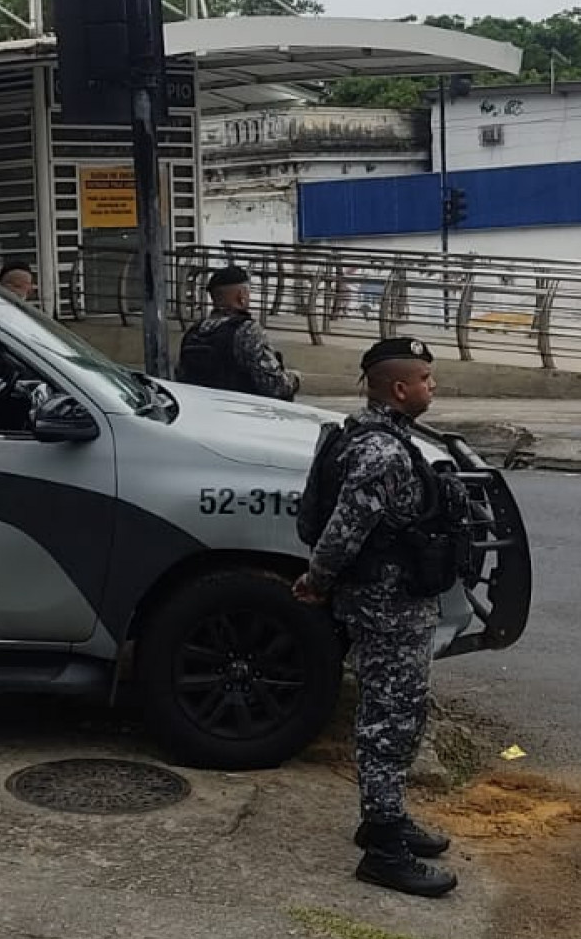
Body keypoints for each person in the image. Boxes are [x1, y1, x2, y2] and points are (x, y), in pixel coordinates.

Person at [293, 337, 458, 899]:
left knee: (397, 709)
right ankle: (384, 849)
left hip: (393, 600)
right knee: (389, 717)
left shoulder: (376, 436)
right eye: (427, 380)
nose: (432, 388)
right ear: (399, 387)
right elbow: (346, 527)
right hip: (386, 605)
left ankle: (385, 818)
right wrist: (316, 581)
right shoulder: (381, 451)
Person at [175, 265, 300, 400]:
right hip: (240, 410)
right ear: (241, 296)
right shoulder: (247, 331)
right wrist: (295, 379)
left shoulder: (194, 332)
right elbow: (274, 386)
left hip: (203, 408)